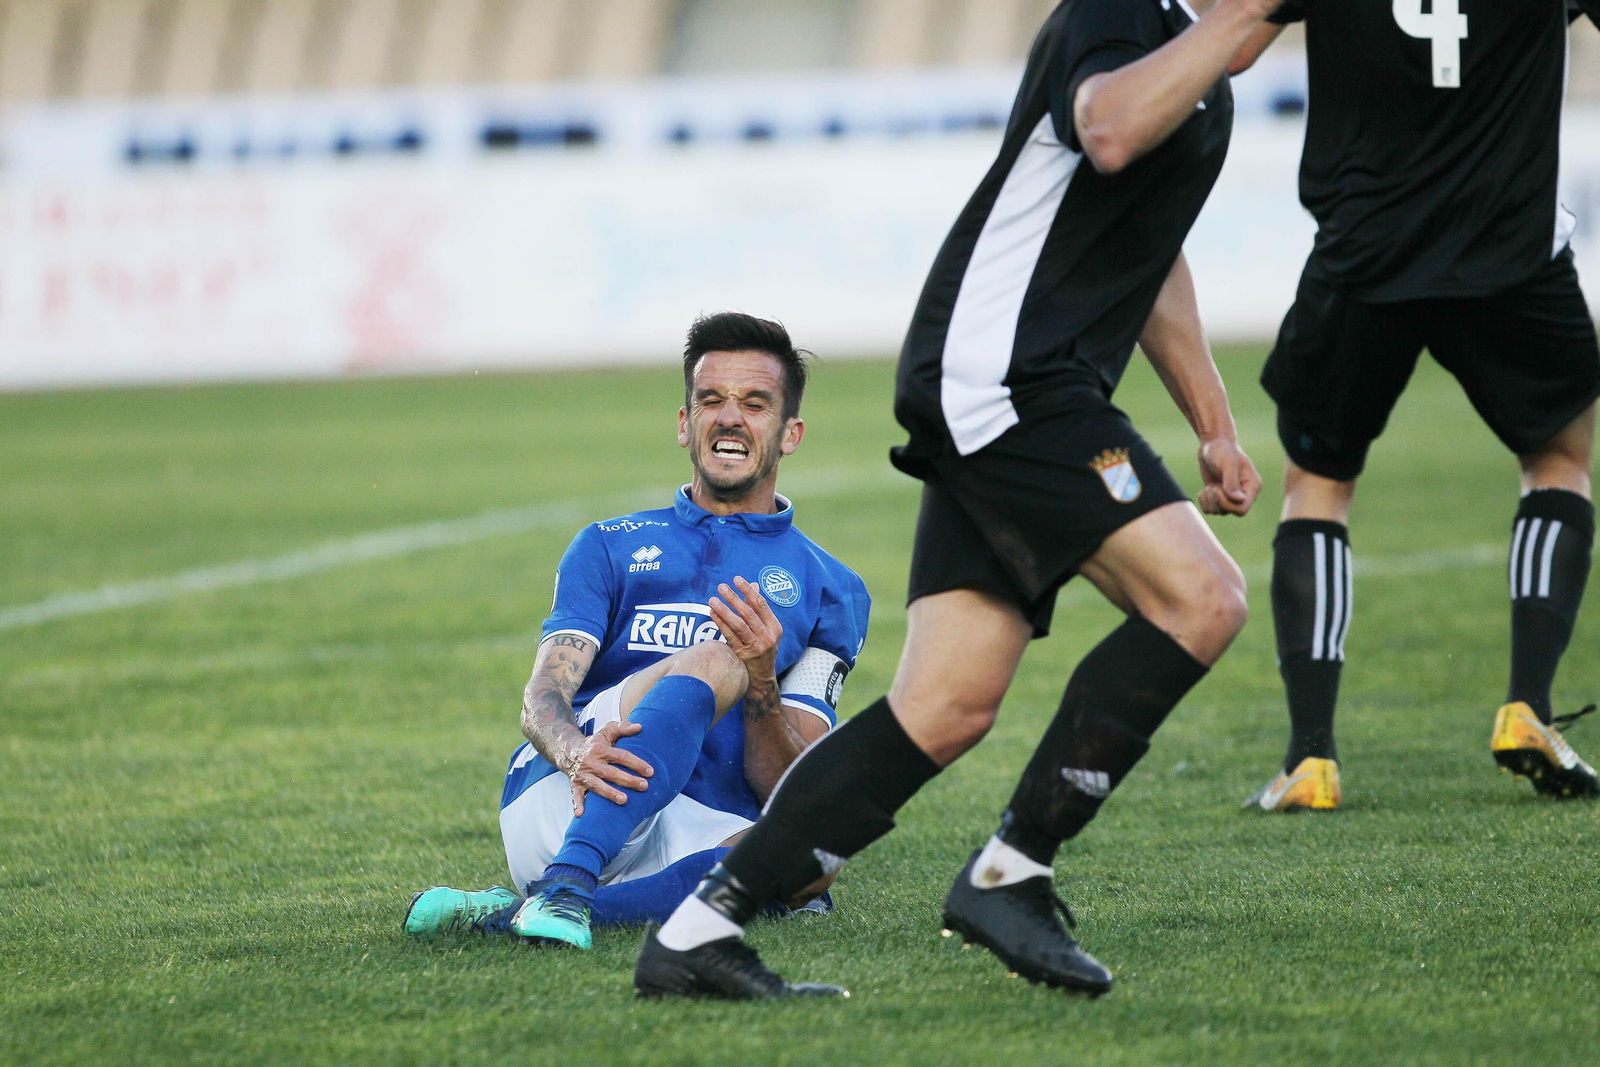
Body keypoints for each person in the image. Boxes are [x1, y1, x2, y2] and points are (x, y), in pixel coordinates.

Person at [633, 0, 1277, 1000]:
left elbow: (1151, 255)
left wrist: (1214, 419)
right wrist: (1247, 22)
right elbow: (1105, 129)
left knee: (944, 706)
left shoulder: (1201, 63)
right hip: (1007, 380)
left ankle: (694, 930)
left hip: (1011, 387)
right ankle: (1010, 870)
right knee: (1202, 598)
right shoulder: (1123, 17)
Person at [402, 312, 870, 948]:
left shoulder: (834, 589)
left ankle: (528, 912)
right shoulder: (607, 545)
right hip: (573, 793)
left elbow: (791, 787)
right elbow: (543, 695)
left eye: (755, 404)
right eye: (710, 400)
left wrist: (762, 682)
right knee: (718, 655)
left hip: (693, 826)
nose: (729, 418)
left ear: (791, 433)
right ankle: (568, 878)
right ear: (685, 424)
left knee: (813, 854)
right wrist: (574, 752)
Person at [1235, 0, 1600, 812]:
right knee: (1558, 460)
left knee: (1317, 482)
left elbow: (1233, 40)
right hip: (1509, 248)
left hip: (1365, 250)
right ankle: (1529, 707)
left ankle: (1310, 758)